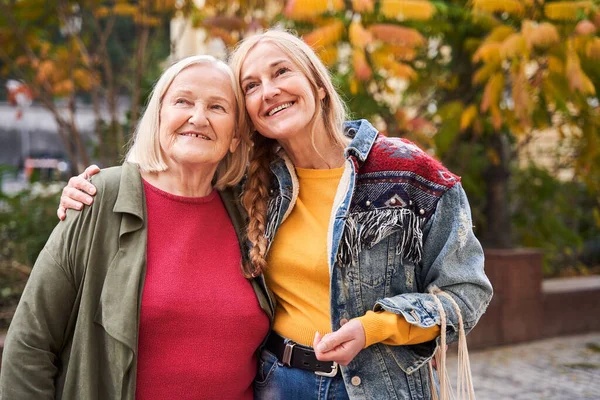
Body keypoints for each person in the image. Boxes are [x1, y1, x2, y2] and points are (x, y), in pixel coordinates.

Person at [56, 30, 493, 400]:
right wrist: (95, 190)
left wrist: (375, 327)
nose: (269, 91)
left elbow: (466, 292)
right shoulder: (248, 185)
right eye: (250, 86)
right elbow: (171, 178)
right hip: (280, 383)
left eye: (281, 72)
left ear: (318, 85)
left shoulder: (407, 172)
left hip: (382, 385)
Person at [0, 55, 272, 400]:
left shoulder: (249, 212)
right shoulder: (98, 200)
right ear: (159, 117)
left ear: (235, 136)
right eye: (183, 101)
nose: (198, 117)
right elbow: (29, 345)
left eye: (217, 107)